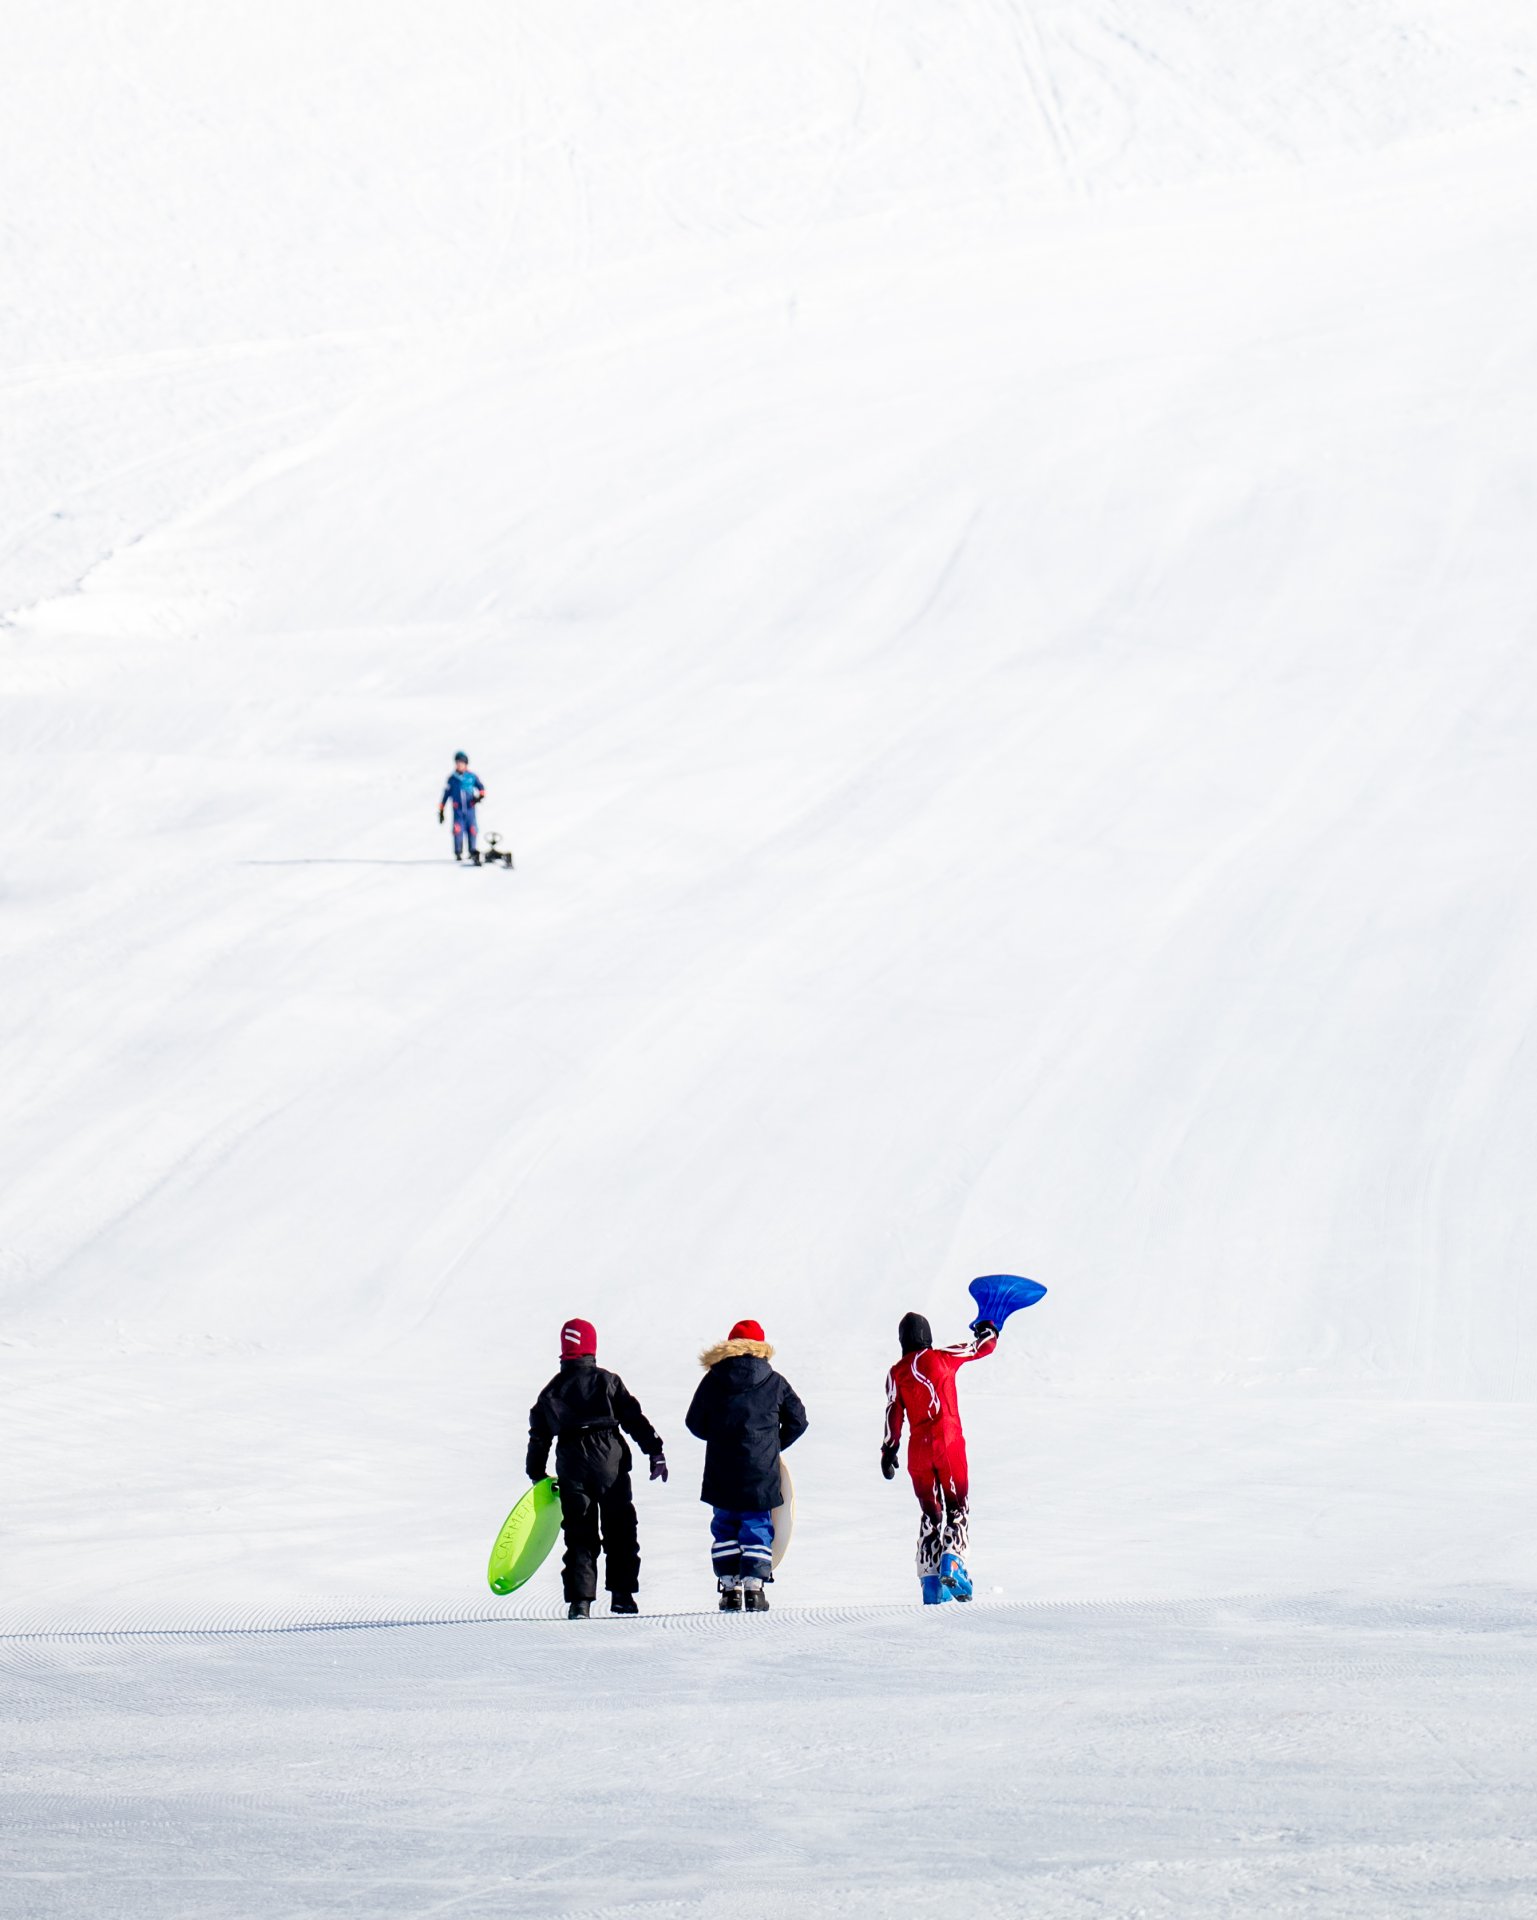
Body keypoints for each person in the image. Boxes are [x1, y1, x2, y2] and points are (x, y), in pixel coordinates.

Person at [526, 1317, 668, 1619]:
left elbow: (539, 1435)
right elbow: (633, 1418)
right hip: (610, 1461)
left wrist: (537, 1473)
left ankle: (580, 1602)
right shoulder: (608, 1381)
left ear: (564, 1350)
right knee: (620, 1527)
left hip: (572, 1462)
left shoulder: (552, 1390)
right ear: (592, 1348)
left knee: (579, 1531)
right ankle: (622, 1596)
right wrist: (655, 1450)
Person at [685, 1318, 807, 1613]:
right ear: (761, 1347)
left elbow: (694, 1422)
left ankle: (729, 1589)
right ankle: (754, 1588)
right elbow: (799, 1420)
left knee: (725, 1524)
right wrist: (771, 1446)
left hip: (721, 1468)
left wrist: (718, 1438)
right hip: (760, 1470)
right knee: (756, 1523)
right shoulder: (774, 1380)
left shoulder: (713, 1379)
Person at [881, 1310, 999, 1604]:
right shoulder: (941, 1357)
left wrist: (889, 1449)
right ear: (927, 1337)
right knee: (957, 1506)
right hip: (947, 1440)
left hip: (916, 1450)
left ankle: (931, 1581)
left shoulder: (896, 1373)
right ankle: (953, 1562)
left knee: (931, 1514)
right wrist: (990, 1330)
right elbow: (979, 1348)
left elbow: (893, 1412)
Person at [438, 752, 486, 861]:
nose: (459, 765)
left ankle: (472, 851)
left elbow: (481, 787)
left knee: (472, 829)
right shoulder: (452, 779)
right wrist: (441, 810)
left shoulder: (471, 777)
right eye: (458, 762)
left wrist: (479, 797)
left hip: (470, 809)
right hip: (458, 810)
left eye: (462, 763)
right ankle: (458, 852)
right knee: (457, 830)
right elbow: (445, 795)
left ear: (466, 764)